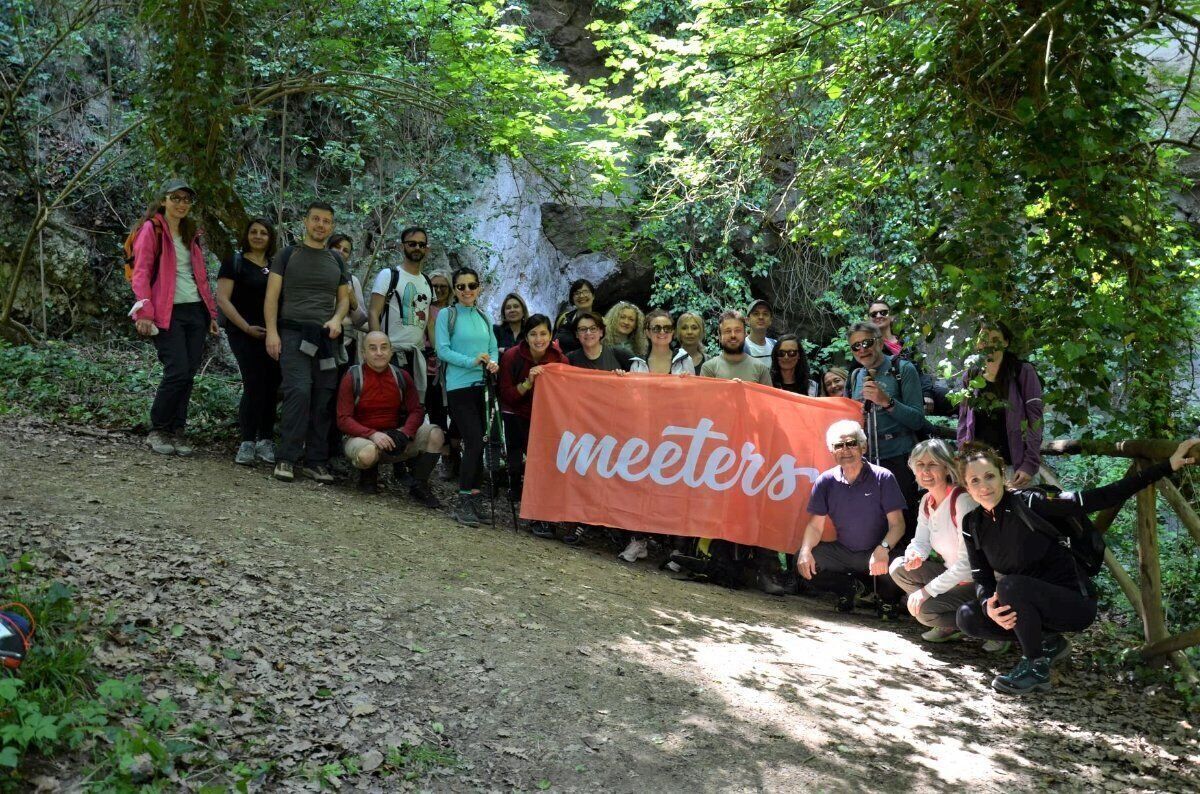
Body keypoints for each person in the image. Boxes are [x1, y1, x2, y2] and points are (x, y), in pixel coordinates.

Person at [954, 439, 1199, 695]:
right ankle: (1049, 642)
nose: (984, 486)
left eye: (989, 476)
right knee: (968, 617)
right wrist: (987, 607)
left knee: (1010, 586)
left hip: (1073, 602)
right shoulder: (973, 523)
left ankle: (1035, 668)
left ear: (1002, 474)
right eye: (975, 481)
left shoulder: (1031, 502)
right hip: (1026, 602)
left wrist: (1166, 466)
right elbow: (981, 575)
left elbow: (1101, 497)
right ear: (966, 487)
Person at [130, 178, 219, 457]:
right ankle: (159, 429)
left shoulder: (191, 233)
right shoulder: (152, 229)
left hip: (195, 311)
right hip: (166, 311)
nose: (181, 204)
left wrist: (211, 314)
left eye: (186, 200)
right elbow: (141, 272)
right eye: (176, 198)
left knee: (188, 374)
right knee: (177, 370)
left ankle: (177, 431)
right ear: (164, 200)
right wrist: (144, 312)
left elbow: (200, 277)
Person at [264, 202, 350, 483]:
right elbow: (271, 297)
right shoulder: (287, 255)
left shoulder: (336, 260)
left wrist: (337, 319)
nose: (320, 225)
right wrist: (272, 332)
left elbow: (344, 301)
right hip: (292, 333)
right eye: (315, 219)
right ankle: (287, 457)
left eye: (326, 221)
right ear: (306, 221)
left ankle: (315, 460)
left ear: (332, 226)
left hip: (326, 339)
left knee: (324, 396)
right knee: (298, 392)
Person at [795, 419, 906, 619]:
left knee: (900, 565)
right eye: (839, 445)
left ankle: (886, 600)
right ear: (832, 451)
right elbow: (815, 526)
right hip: (843, 552)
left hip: (878, 550)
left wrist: (883, 549)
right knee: (803, 560)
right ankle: (849, 589)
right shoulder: (825, 481)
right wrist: (805, 550)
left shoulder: (883, 477)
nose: (845, 450)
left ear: (863, 446)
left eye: (851, 443)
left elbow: (898, 525)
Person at [336, 332, 444, 507]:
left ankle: (419, 484)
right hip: (363, 439)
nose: (379, 352)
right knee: (367, 454)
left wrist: (405, 432)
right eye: (373, 348)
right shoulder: (352, 378)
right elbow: (343, 419)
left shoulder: (401, 376)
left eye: (384, 347)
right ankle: (367, 476)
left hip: (396, 438)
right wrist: (372, 434)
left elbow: (416, 410)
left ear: (391, 351)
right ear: (364, 353)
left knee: (436, 434)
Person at [888, 439, 978, 642]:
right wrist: (915, 554)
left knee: (924, 612)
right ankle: (951, 621)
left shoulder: (962, 501)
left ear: (946, 467)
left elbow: (968, 565)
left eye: (932, 464)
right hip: (950, 574)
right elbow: (921, 541)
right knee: (899, 567)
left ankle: (988, 625)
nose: (925, 471)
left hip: (976, 581)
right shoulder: (927, 501)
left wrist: (926, 592)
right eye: (920, 465)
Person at [847, 321, 925, 547]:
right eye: (855, 346)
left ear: (880, 342)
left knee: (904, 520)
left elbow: (917, 419)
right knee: (874, 522)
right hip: (868, 460)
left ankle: (906, 573)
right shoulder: (855, 376)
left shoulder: (903, 369)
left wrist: (887, 402)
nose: (862, 349)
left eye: (867, 342)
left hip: (900, 458)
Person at [435, 266, 499, 526]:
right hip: (459, 387)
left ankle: (474, 498)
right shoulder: (446, 315)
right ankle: (462, 502)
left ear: (478, 287)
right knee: (473, 440)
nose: (467, 291)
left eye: (471, 285)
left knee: (481, 441)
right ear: (455, 289)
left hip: (482, 387)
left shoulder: (484, 316)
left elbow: (492, 348)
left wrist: (493, 363)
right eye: (461, 286)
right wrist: (472, 362)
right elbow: (443, 351)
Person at [216, 217, 281, 465]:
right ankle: (247, 442)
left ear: (270, 238)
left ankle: (266, 440)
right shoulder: (234, 262)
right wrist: (245, 327)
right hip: (243, 332)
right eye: (253, 231)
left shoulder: (275, 266)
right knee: (253, 382)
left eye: (263, 233)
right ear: (246, 235)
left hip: (272, 333)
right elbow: (223, 299)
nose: (258, 236)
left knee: (271, 385)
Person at [498, 313, 568, 537]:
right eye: (533, 334)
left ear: (551, 335)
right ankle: (521, 503)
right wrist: (529, 382)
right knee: (517, 464)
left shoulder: (559, 360)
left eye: (543, 333)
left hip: (546, 419)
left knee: (543, 466)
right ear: (526, 337)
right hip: (517, 415)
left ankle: (540, 517)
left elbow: (568, 394)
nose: (539, 339)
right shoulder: (511, 356)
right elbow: (507, 395)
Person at [957, 319, 1044, 489]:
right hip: (979, 469)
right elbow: (963, 421)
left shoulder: (1022, 371)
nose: (988, 343)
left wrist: (1029, 464)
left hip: (1015, 469)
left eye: (995, 339)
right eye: (983, 338)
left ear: (1006, 342)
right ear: (976, 343)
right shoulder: (971, 375)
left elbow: (1036, 420)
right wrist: (963, 458)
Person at [369, 227, 434, 399]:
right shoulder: (389, 275)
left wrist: (436, 352)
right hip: (392, 353)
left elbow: (430, 323)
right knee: (390, 402)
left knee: (414, 405)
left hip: (417, 355)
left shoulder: (427, 281)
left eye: (421, 244)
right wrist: (379, 350)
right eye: (412, 244)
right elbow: (374, 312)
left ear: (427, 249)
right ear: (402, 246)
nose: (417, 248)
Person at [866, 299, 951, 415]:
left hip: (920, 388)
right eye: (874, 314)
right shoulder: (870, 347)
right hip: (896, 393)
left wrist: (927, 394)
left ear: (891, 316)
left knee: (957, 400)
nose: (879, 316)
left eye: (883, 312)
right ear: (869, 320)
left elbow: (921, 370)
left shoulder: (906, 341)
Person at [699, 310, 772, 385]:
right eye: (728, 331)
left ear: (745, 334)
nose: (733, 335)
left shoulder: (760, 368)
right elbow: (705, 396)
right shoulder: (709, 368)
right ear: (720, 336)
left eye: (737, 331)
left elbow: (768, 396)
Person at [566, 312, 638, 372]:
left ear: (601, 332)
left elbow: (641, 376)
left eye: (593, 328)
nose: (588, 333)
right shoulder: (570, 359)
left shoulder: (619, 354)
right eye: (582, 329)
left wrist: (623, 377)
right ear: (576, 334)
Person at [636, 309, 693, 375]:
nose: (662, 332)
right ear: (648, 333)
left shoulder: (684, 360)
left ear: (672, 332)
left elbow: (694, 385)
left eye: (667, 328)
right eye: (656, 328)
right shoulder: (638, 364)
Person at [553, 278, 596, 354]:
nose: (581, 296)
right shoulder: (563, 318)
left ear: (593, 296)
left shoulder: (600, 323)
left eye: (585, 292)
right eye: (577, 293)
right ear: (572, 298)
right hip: (558, 363)